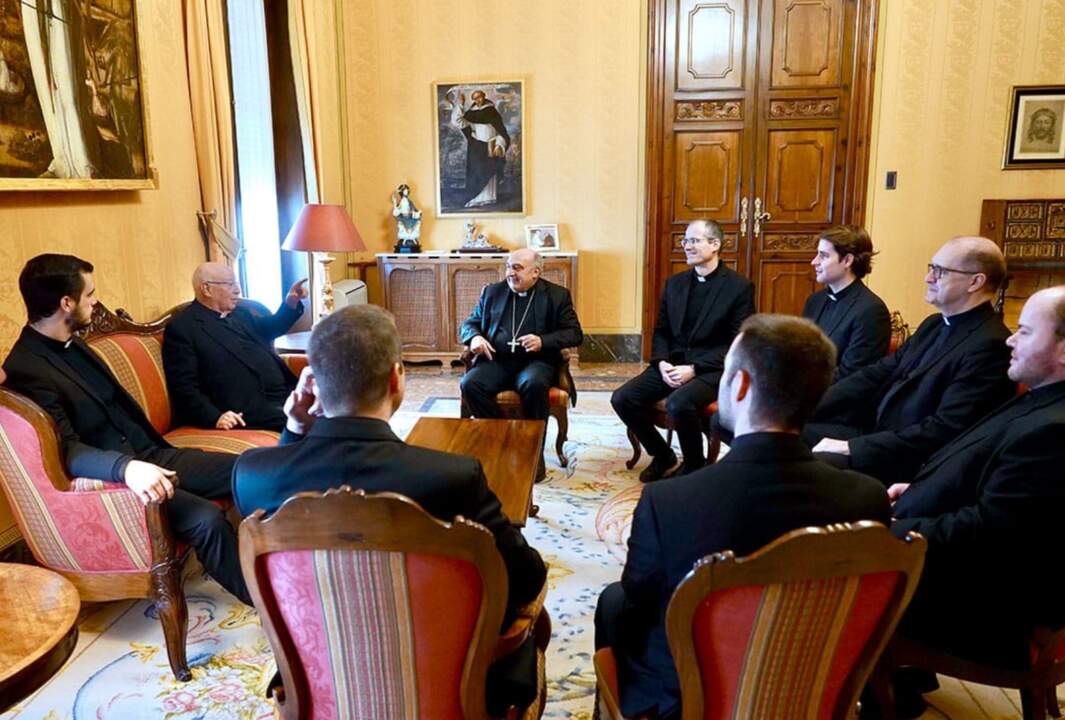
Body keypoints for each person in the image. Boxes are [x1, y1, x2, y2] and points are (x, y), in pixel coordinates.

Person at [232, 304, 547, 715]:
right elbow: (525, 578)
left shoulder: (252, 475)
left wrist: (293, 430)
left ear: (313, 384)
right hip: (447, 691)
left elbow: (281, 481)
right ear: (398, 378)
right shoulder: (451, 477)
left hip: (324, 687)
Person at [596, 315, 890, 720]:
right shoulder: (867, 499)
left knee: (613, 603)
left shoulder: (669, 501)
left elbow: (640, 598)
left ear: (740, 385)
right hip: (813, 688)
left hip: (695, 697)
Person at [3, 254, 250, 605]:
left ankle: (293, 560)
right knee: (207, 519)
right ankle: (270, 607)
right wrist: (127, 468)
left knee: (248, 470)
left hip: (153, 452)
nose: (94, 302)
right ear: (66, 303)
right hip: (121, 479)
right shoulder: (26, 368)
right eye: (89, 295)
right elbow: (65, 449)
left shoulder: (75, 342)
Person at [881, 286, 1065, 716]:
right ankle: (903, 682)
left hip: (994, 611)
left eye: (1023, 331)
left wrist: (883, 533)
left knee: (835, 582)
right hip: (980, 570)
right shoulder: (1044, 401)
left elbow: (991, 532)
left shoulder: (1054, 429)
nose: (1009, 340)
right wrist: (919, 493)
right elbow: (1000, 488)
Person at [805, 236, 1016, 485]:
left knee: (806, 465)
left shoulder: (990, 345)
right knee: (780, 434)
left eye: (940, 271)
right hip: (877, 432)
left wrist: (853, 447)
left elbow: (944, 429)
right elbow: (876, 373)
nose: (928, 278)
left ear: (975, 281)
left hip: (913, 459)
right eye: (931, 268)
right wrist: (804, 405)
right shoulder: (933, 324)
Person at [611, 219, 755, 482]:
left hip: (712, 369)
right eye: (685, 241)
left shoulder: (738, 287)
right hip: (673, 363)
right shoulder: (674, 283)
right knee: (622, 398)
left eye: (694, 241)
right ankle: (662, 454)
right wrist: (662, 362)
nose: (687, 246)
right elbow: (662, 329)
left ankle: (694, 465)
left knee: (680, 403)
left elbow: (737, 342)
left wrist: (695, 369)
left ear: (715, 244)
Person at [459, 248, 583, 478]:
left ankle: (533, 454)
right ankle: (502, 441)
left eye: (517, 268)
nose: (510, 273)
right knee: (470, 384)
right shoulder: (492, 292)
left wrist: (543, 341)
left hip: (536, 362)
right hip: (497, 360)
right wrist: (474, 337)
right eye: (508, 266)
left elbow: (575, 334)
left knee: (533, 383)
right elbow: (469, 324)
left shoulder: (557, 295)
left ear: (536, 272)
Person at [162, 262, 306, 432]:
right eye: (230, 284)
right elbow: (184, 387)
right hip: (249, 408)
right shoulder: (183, 328)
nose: (237, 290)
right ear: (207, 289)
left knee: (337, 404)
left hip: (285, 393)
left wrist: (290, 302)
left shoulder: (241, 314)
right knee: (314, 421)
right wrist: (214, 417)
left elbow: (270, 328)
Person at [803, 225, 892, 379]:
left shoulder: (871, 311)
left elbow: (852, 376)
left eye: (823, 256)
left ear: (847, 260)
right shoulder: (815, 300)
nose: (814, 262)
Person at [449, 89, 510, 208]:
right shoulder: (471, 113)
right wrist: (460, 104)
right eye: (475, 98)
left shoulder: (491, 111)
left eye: (480, 97)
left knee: (490, 171)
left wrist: (499, 145)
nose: (478, 100)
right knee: (477, 173)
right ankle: (476, 198)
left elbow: (501, 131)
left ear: (484, 96)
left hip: (490, 146)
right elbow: (458, 121)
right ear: (473, 100)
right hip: (477, 148)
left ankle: (489, 198)